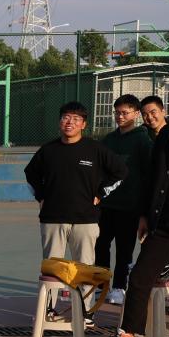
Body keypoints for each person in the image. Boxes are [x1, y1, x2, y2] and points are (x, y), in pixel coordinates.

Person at [23, 102, 127, 322]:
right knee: (52, 268)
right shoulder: (48, 150)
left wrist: (101, 193)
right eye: (65, 118)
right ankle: (48, 310)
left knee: (85, 268)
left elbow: (121, 171)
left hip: (85, 220)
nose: (69, 122)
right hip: (53, 219)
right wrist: (41, 196)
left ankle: (85, 312)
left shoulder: (95, 149)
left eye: (76, 119)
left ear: (83, 124)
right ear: (60, 121)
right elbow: (30, 174)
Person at [92, 119, 169, 337]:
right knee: (140, 277)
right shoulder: (168, 133)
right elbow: (153, 177)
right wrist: (144, 214)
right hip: (164, 221)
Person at [95, 95, 154, 304]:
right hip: (106, 204)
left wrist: (143, 208)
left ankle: (119, 287)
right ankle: (100, 286)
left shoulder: (143, 140)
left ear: (136, 114)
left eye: (125, 113)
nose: (120, 116)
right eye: (117, 113)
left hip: (129, 207)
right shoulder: (109, 140)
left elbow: (148, 175)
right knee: (100, 245)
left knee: (124, 249)